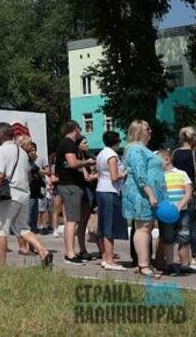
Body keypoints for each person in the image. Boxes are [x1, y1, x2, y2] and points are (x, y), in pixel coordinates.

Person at [0, 122, 53, 268]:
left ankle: (1, 266)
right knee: (23, 228)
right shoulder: (22, 153)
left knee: (0, 229)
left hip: (9, 195)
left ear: (0, 135)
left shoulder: (1, 151)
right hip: (24, 194)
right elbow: (28, 176)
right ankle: (43, 251)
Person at [122, 119, 166, 278]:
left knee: (147, 227)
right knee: (143, 228)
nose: (150, 131)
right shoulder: (135, 149)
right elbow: (140, 175)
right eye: (148, 129)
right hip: (141, 195)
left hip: (147, 194)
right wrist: (151, 194)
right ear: (139, 131)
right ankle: (143, 265)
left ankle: (145, 263)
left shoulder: (142, 149)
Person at [55, 120, 95, 265]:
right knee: (72, 220)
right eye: (80, 129)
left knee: (72, 220)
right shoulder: (69, 143)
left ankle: (70, 252)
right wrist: (86, 163)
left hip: (70, 185)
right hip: (70, 185)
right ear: (75, 129)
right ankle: (70, 254)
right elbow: (72, 163)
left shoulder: (66, 143)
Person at [156, 149, 194, 274]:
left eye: (157, 161)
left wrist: (180, 206)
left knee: (184, 237)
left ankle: (184, 264)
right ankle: (170, 264)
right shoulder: (159, 176)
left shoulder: (182, 174)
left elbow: (188, 192)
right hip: (166, 214)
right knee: (168, 238)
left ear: (167, 160)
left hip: (182, 211)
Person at [95, 131, 128, 271]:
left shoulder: (101, 153)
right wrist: (124, 173)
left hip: (101, 189)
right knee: (109, 226)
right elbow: (114, 177)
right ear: (116, 141)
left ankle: (105, 257)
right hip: (110, 191)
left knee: (103, 226)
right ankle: (110, 260)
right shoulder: (112, 155)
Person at [172, 126, 196, 266]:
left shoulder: (175, 153)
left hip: (175, 193)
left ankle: (179, 258)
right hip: (192, 193)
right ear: (194, 138)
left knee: (178, 227)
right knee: (194, 225)